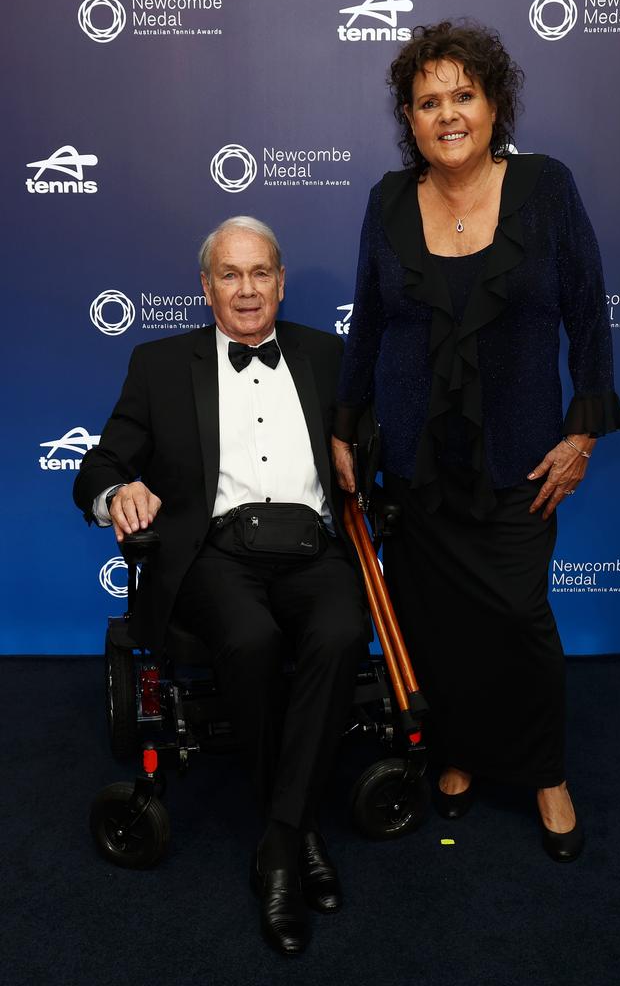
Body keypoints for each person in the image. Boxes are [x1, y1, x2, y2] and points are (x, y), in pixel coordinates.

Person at [332, 21, 620, 863]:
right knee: (437, 616)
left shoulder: (546, 187)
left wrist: (583, 431)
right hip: (417, 459)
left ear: (496, 105)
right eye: (428, 101)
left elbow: (588, 309)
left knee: (519, 615)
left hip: (521, 454)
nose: (447, 114)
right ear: (409, 119)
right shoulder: (387, 201)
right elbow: (369, 323)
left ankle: (543, 771)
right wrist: (347, 428)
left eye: (464, 95)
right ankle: (458, 749)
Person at [74, 216, 369, 955]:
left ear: (280, 280)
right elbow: (100, 466)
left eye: (260, 273)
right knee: (250, 639)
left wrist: (364, 455)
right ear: (206, 287)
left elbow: (374, 444)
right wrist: (119, 496)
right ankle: (299, 843)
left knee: (338, 635)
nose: (247, 290)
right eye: (230, 275)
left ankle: (277, 841)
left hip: (311, 546)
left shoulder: (328, 356)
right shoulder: (159, 363)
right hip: (215, 553)